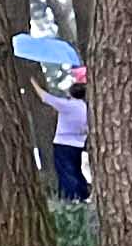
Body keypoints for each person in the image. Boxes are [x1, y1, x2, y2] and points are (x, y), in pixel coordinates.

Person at [33, 65, 91, 202]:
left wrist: (33, 83)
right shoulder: (86, 108)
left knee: (65, 171)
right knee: (76, 169)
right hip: (78, 144)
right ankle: (82, 194)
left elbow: (45, 97)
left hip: (62, 143)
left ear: (71, 94)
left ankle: (72, 196)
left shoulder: (68, 106)